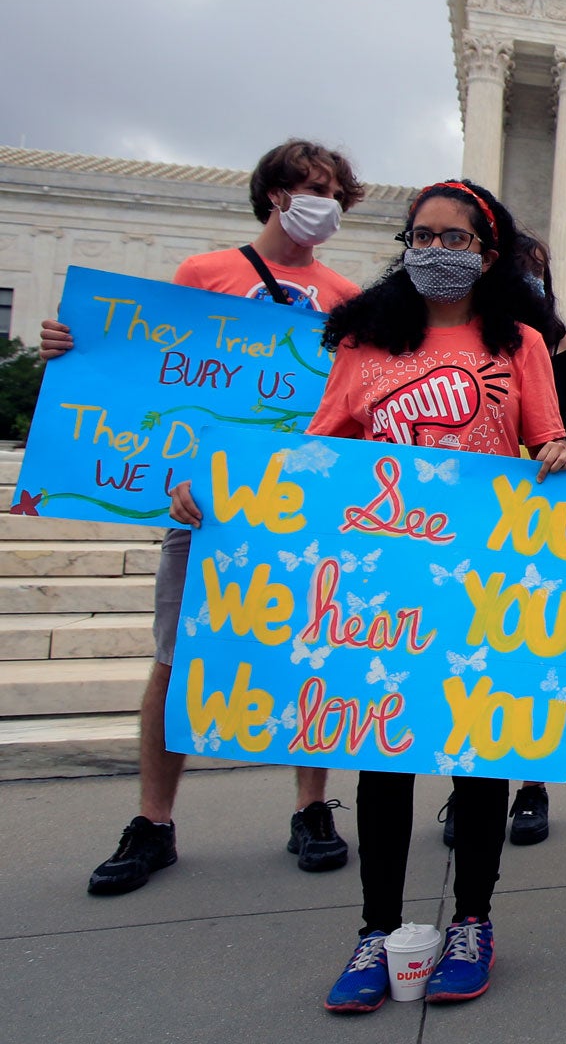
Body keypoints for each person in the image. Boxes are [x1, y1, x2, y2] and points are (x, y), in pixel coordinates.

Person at [172, 178, 566, 1009]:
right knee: (383, 764)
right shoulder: (364, 340)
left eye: (456, 239)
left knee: (477, 764)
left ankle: (473, 920)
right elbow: (318, 457)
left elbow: (545, 440)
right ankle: (377, 932)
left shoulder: (521, 343)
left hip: (477, 579)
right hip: (378, 585)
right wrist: (221, 493)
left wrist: (560, 460)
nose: (436, 250)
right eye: (422, 236)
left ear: (488, 252)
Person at [44, 139, 365, 897]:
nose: (325, 202)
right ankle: (153, 820)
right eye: (312, 187)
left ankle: (311, 808)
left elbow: (348, 406)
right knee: (173, 658)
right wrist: (70, 348)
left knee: (311, 654)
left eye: (334, 192)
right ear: (275, 193)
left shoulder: (347, 298)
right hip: (203, 507)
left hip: (299, 509)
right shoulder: (204, 274)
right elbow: (151, 375)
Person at [437, 235, 566, 850]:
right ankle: (465, 784)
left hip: (539, 518)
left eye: (538, 269)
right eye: (519, 266)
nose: (528, 277)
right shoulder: (457, 340)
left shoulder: (560, 346)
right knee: (464, 656)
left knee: (532, 657)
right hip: (468, 518)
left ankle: (530, 788)